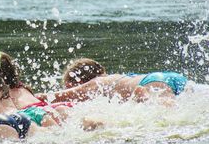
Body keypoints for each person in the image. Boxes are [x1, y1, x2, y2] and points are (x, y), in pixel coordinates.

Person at [38, 58, 187, 105]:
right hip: (172, 78)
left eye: (68, 87)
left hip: (150, 83)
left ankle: (143, 95)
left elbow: (51, 97)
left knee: (162, 107)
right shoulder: (114, 80)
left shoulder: (97, 83)